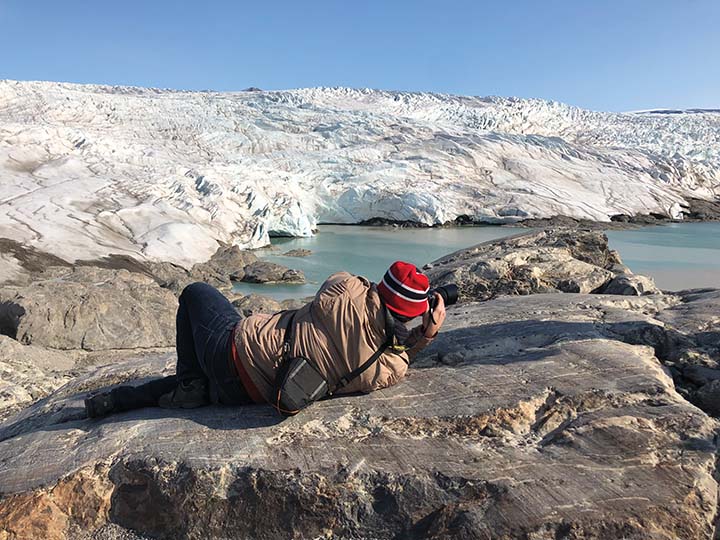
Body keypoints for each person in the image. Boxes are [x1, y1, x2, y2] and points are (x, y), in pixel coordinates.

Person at [84, 261, 446, 418]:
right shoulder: (390, 366)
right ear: (412, 315)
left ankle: (189, 385)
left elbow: (345, 280)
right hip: (252, 393)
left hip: (236, 349)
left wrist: (376, 293)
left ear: (382, 290)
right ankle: (118, 400)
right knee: (196, 387)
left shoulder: (345, 292)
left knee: (195, 292)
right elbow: (396, 357)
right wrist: (425, 335)